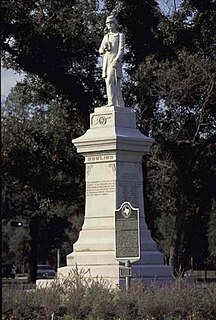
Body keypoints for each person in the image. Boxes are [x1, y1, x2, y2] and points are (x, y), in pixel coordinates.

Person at [99, 15, 125, 107]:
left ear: (115, 23)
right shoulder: (106, 37)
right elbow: (100, 51)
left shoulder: (120, 35)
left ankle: (111, 103)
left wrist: (116, 61)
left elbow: (121, 50)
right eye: (107, 23)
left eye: (111, 23)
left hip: (114, 61)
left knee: (111, 80)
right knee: (109, 82)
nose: (109, 25)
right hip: (106, 62)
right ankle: (116, 103)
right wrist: (104, 48)